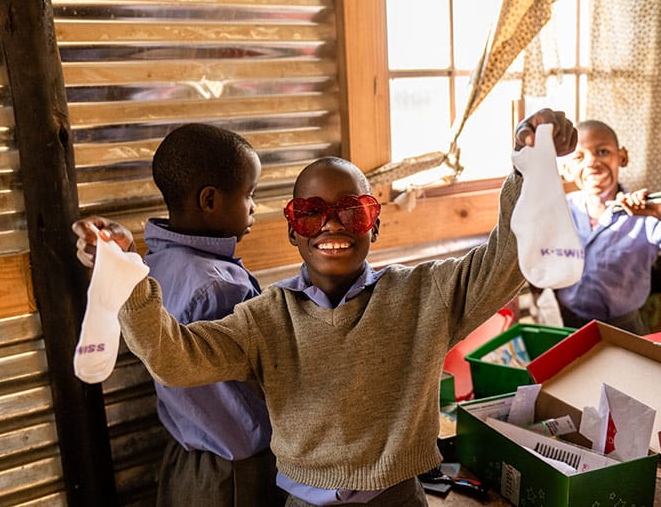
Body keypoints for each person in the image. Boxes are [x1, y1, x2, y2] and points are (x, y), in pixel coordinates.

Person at [73, 109, 577, 506]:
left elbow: (505, 261)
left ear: (374, 224)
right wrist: (128, 277)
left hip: (398, 499)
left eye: (351, 211)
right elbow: (175, 358)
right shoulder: (265, 318)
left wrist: (528, 168)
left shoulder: (424, 294)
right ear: (293, 230)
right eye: (311, 214)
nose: (331, 226)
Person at [75, 123, 286, 506]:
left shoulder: (155, 265)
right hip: (236, 473)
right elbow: (267, 383)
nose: (254, 206)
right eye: (249, 194)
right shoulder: (221, 286)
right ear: (210, 200)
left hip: (186, 458)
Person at [550, 119, 661, 334]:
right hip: (569, 320)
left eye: (602, 152)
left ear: (622, 157)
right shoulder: (561, 210)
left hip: (625, 326)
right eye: (579, 157)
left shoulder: (646, 216)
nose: (592, 162)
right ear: (566, 169)